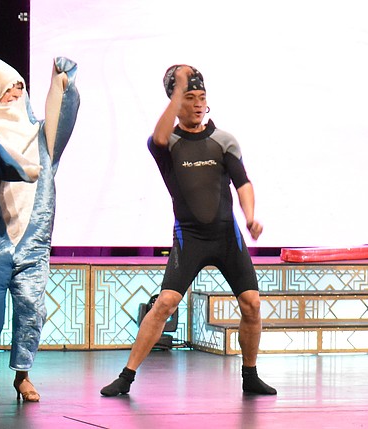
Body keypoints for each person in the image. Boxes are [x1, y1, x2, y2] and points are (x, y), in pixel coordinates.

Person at [100, 65, 275, 396]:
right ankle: (126, 377)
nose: (197, 105)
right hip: (189, 238)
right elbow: (160, 136)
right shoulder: (167, 145)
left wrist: (250, 216)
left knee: (251, 303)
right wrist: (177, 91)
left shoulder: (224, 141)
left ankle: (250, 375)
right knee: (164, 303)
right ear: (175, 102)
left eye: (202, 98)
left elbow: (243, 182)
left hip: (227, 237)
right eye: (189, 98)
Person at [0, 53, 80, 402]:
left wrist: (62, 85)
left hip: (33, 240)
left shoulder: (40, 134)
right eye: (6, 90)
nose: (14, 95)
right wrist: (19, 168)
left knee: (31, 306)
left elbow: (62, 117)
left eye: (19, 88)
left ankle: (23, 374)